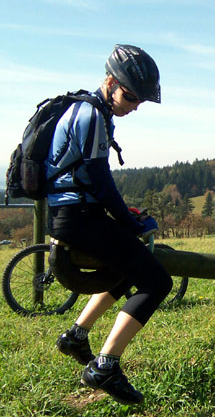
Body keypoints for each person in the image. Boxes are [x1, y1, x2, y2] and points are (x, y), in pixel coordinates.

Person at [48, 44, 173, 404]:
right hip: (78, 219)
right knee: (157, 281)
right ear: (109, 81)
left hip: (77, 215)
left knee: (128, 268)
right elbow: (100, 181)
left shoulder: (92, 112)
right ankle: (105, 365)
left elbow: (93, 183)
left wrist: (124, 216)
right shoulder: (91, 116)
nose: (134, 105)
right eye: (131, 96)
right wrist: (129, 222)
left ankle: (76, 335)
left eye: (140, 100)